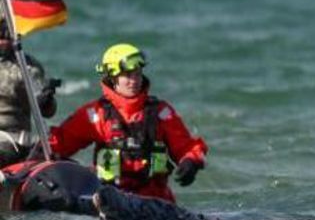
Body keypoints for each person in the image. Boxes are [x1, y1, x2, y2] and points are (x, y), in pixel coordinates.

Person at [48, 43, 207, 204]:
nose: (134, 80)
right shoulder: (96, 114)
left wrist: (191, 161)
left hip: (156, 202)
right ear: (112, 78)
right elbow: (60, 144)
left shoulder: (161, 112)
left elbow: (187, 147)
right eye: (128, 75)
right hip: (112, 200)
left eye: (137, 74)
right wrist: (36, 151)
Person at [0, 21, 58, 167]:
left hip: (10, 141)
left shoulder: (26, 67)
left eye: (7, 31)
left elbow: (47, 111)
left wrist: (46, 100)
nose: (4, 37)